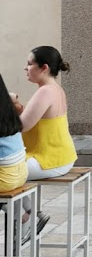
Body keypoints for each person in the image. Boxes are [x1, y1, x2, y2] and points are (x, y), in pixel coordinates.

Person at [10, 46, 77, 243]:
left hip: (48, 159)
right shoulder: (54, 89)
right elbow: (34, 119)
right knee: (7, 174)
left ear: (44, 68)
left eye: (30, 64)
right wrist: (17, 108)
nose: (26, 68)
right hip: (58, 156)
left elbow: (21, 126)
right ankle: (33, 214)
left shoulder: (45, 92)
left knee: (6, 173)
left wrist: (6, 105)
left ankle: (26, 218)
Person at [0, 73, 29, 229]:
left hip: (5, 179)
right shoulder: (8, 108)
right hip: (21, 173)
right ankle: (32, 212)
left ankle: (22, 216)